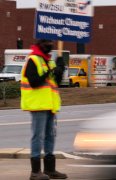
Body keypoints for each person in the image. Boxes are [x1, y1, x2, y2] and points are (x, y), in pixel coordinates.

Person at [20, 39, 67, 180]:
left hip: (50, 105)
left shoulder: (49, 61)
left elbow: (55, 83)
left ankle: (49, 169)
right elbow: (34, 82)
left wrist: (60, 69)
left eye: (51, 44)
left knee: (50, 136)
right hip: (38, 105)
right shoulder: (33, 59)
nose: (51, 46)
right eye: (48, 44)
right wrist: (50, 71)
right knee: (38, 137)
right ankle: (35, 172)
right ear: (40, 45)